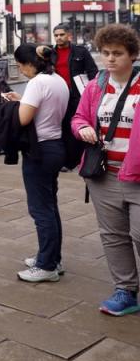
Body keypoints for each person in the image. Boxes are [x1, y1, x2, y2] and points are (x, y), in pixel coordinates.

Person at [71, 24, 140, 315]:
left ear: (133, 55)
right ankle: (125, 291)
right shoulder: (95, 86)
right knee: (113, 235)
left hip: (136, 176)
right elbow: (78, 118)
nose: (110, 59)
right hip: (104, 175)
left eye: (118, 53)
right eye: (105, 53)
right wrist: (83, 128)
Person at [0, 44, 68, 282]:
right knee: (50, 206)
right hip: (55, 146)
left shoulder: (37, 83)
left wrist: (11, 105)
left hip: (39, 150)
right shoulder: (57, 80)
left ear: (31, 63)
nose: (20, 69)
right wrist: (23, 99)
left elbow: (23, 118)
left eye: (20, 65)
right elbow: (45, 108)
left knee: (41, 210)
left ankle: (46, 266)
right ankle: (52, 258)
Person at [54, 23, 99, 171]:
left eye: (61, 34)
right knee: (62, 128)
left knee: (76, 127)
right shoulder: (50, 53)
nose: (58, 38)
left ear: (69, 36)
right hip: (58, 97)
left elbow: (93, 71)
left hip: (77, 97)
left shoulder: (81, 52)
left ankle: (74, 160)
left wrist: (92, 92)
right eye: (56, 35)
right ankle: (67, 160)